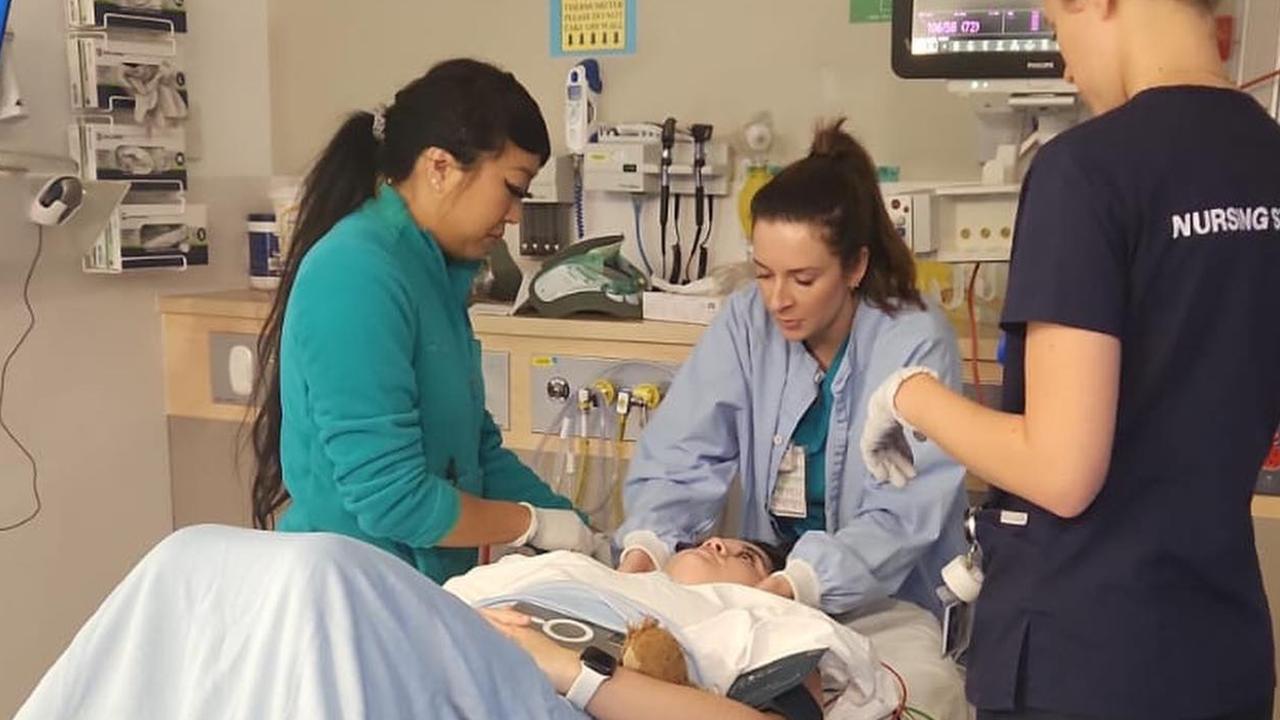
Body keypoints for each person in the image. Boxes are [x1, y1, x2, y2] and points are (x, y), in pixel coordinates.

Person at [858, 1, 1280, 718]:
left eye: (1057, 27)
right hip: (1220, 649)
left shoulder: (1087, 172)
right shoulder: (1267, 161)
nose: (1063, 62)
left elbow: (1060, 469)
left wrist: (910, 397)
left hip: (1087, 659)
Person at [249, 58, 599, 584]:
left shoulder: (433, 274)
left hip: (415, 592)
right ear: (439, 167)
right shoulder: (356, 272)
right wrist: (531, 525)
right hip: (349, 594)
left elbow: (474, 454)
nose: (515, 215)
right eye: (513, 187)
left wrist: (580, 533)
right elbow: (392, 498)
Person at [616, 120, 968, 619]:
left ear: (855, 267)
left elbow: (906, 511)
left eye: (803, 279)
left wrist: (797, 584)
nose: (778, 299)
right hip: (772, 584)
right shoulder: (745, 321)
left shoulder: (912, 340)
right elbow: (682, 455)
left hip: (889, 600)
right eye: (763, 274)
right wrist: (644, 552)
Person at [16, 526, 899, 720]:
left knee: (317, 574)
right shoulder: (586, 561)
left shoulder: (741, 624)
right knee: (191, 559)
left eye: (743, 550)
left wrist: (571, 673)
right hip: (436, 621)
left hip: (519, 670)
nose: (718, 542)